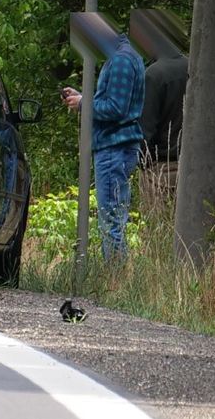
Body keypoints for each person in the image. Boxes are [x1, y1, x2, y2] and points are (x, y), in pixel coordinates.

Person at [63, 21, 145, 263]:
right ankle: (115, 273)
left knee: (111, 219)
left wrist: (82, 104)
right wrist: (83, 98)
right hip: (118, 146)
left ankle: (114, 278)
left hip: (113, 147)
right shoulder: (128, 56)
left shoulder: (120, 61)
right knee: (114, 215)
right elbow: (114, 102)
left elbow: (116, 109)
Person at [130, 9, 189, 216]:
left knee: (160, 229)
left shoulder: (153, 75)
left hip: (160, 171)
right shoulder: (194, 67)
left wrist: (141, 163)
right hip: (193, 167)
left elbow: (145, 129)